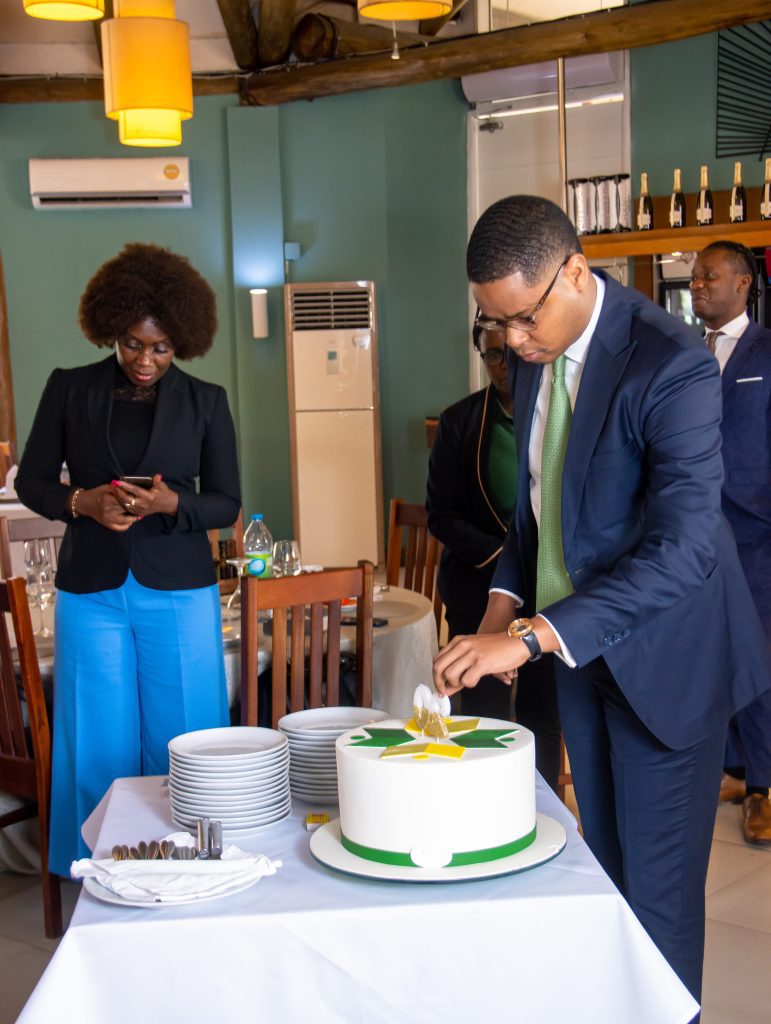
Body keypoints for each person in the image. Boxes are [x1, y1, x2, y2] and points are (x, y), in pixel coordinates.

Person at [432, 195, 769, 1005]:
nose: (513, 342)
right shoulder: (535, 354)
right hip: (584, 657)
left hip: (669, 661)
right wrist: (496, 612)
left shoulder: (669, 362)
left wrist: (531, 637)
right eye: (495, 325)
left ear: (576, 272)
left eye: (523, 319)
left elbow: (683, 550)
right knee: (603, 875)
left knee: (654, 901)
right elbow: (539, 510)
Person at [16, 243, 241, 877]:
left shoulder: (206, 400)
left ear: (182, 342)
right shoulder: (68, 389)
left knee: (185, 737)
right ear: (111, 330)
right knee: (96, 740)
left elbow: (227, 502)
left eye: (161, 348)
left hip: (179, 590)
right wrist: (81, 502)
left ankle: (193, 866)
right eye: (133, 344)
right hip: (92, 590)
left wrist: (173, 503)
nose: (145, 360)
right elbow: (32, 481)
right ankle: (99, 874)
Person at [426, 323, 561, 788]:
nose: (506, 365)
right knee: (483, 709)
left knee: (543, 712)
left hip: (546, 587)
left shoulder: (555, 413)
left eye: (512, 353)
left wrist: (529, 560)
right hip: (476, 585)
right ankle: (484, 797)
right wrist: (505, 557)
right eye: (493, 356)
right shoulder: (459, 421)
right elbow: (441, 514)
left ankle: (543, 802)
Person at [690, 240, 771, 845]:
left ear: (743, 284)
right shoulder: (684, 353)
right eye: (694, 277)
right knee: (713, 656)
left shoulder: (767, 352)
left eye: (709, 276)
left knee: (759, 660)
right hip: (694, 535)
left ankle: (765, 786)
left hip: (755, 533)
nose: (697, 285)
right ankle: (735, 769)